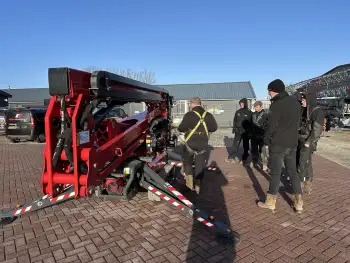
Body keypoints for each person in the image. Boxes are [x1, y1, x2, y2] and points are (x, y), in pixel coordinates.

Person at [257, 79, 304, 214]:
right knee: (293, 172)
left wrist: (266, 139)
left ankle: (270, 202)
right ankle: (299, 203)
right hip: (292, 143)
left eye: (269, 91)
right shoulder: (296, 103)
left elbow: (271, 125)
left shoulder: (277, 105)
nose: (269, 94)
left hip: (278, 143)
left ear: (273, 90)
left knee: (276, 173)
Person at [178, 97, 218, 193]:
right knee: (199, 165)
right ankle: (198, 188)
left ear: (192, 104)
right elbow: (214, 128)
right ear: (200, 103)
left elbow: (181, 128)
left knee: (187, 163)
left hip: (190, 144)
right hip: (203, 144)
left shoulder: (189, 115)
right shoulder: (208, 115)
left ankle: (189, 185)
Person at [297, 92, 325, 194]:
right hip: (300, 138)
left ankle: (299, 184)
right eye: (302, 100)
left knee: (302, 161)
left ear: (309, 100)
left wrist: (309, 141)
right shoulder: (304, 110)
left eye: (304, 100)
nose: (302, 102)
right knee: (306, 161)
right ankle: (308, 182)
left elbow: (317, 129)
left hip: (308, 141)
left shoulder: (317, 112)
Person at [225, 98, 252, 164]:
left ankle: (244, 160)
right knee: (235, 145)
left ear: (245, 104)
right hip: (238, 132)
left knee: (246, 146)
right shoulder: (238, 112)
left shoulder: (249, 112)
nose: (241, 105)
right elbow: (235, 120)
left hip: (245, 132)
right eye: (240, 104)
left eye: (242, 104)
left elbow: (251, 123)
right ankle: (232, 157)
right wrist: (234, 128)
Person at [250, 101, 268, 168]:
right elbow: (251, 124)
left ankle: (264, 163)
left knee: (262, 150)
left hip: (262, 136)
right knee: (254, 150)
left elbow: (268, 125)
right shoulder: (253, 114)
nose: (255, 108)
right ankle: (254, 161)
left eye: (257, 107)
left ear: (261, 106)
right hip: (254, 135)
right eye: (255, 107)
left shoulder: (265, 114)